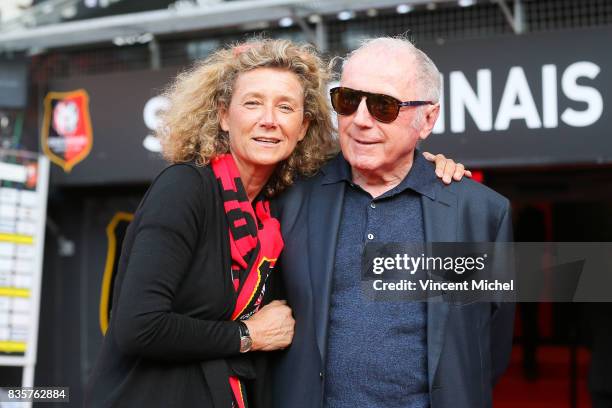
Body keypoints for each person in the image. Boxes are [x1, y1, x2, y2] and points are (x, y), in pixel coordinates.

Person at [85, 38, 466, 407]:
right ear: (222, 114)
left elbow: (479, 337)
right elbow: (139, 327)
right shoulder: (184, 188)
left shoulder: (279, 206)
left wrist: (418, 167)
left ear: (302, 127)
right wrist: (248, 336)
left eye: (285, 107)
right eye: (253, 103)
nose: (269, 121)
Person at [272, 37, 515, 408]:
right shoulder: (291, 201)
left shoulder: (479, 214)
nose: (361, 121)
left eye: (384, 106)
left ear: (428, 118)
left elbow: (487, 349)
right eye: (348, 101)